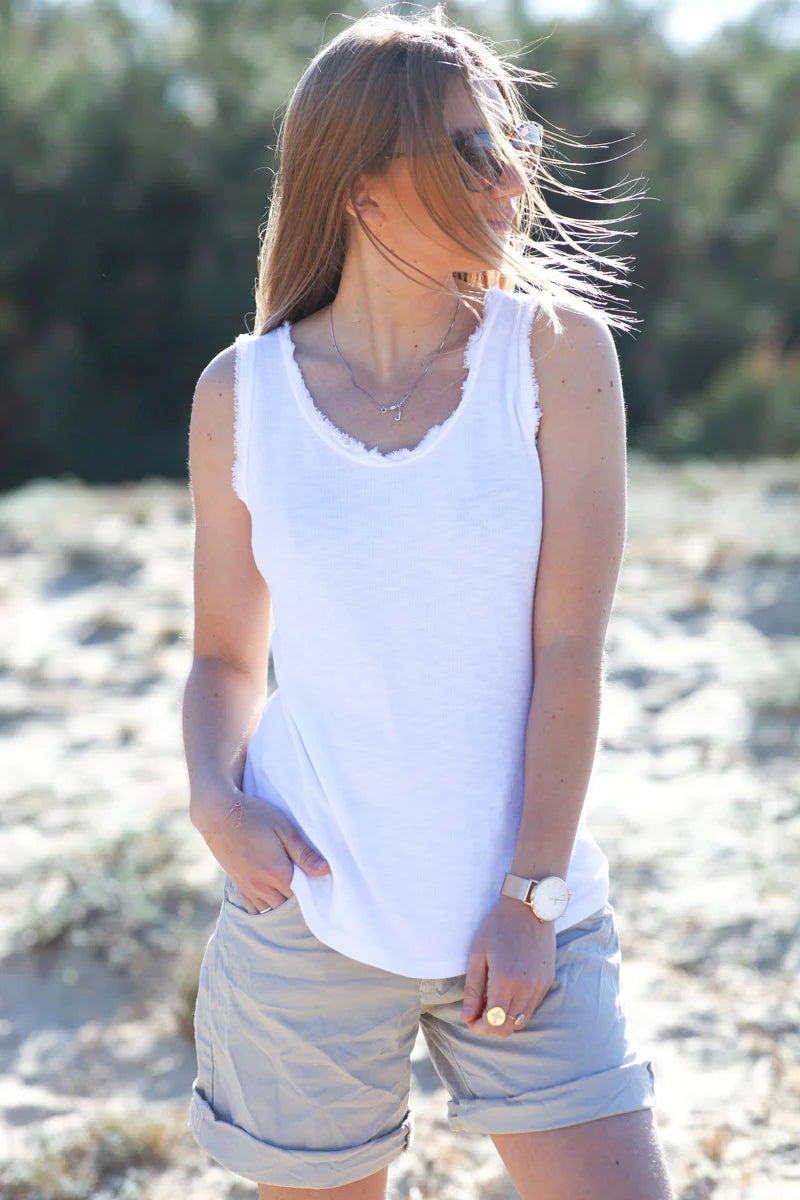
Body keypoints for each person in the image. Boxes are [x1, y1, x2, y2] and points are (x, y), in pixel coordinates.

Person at [182, 5, 675, 1198]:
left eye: (509, 142)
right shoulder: (239, 393)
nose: (512, 175)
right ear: (356, 188)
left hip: (518, 911)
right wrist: (213, 801)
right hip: (306, 920)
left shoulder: (556, 354)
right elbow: (223, 657)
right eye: (468, 149)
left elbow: (569, 649)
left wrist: (528, 895)